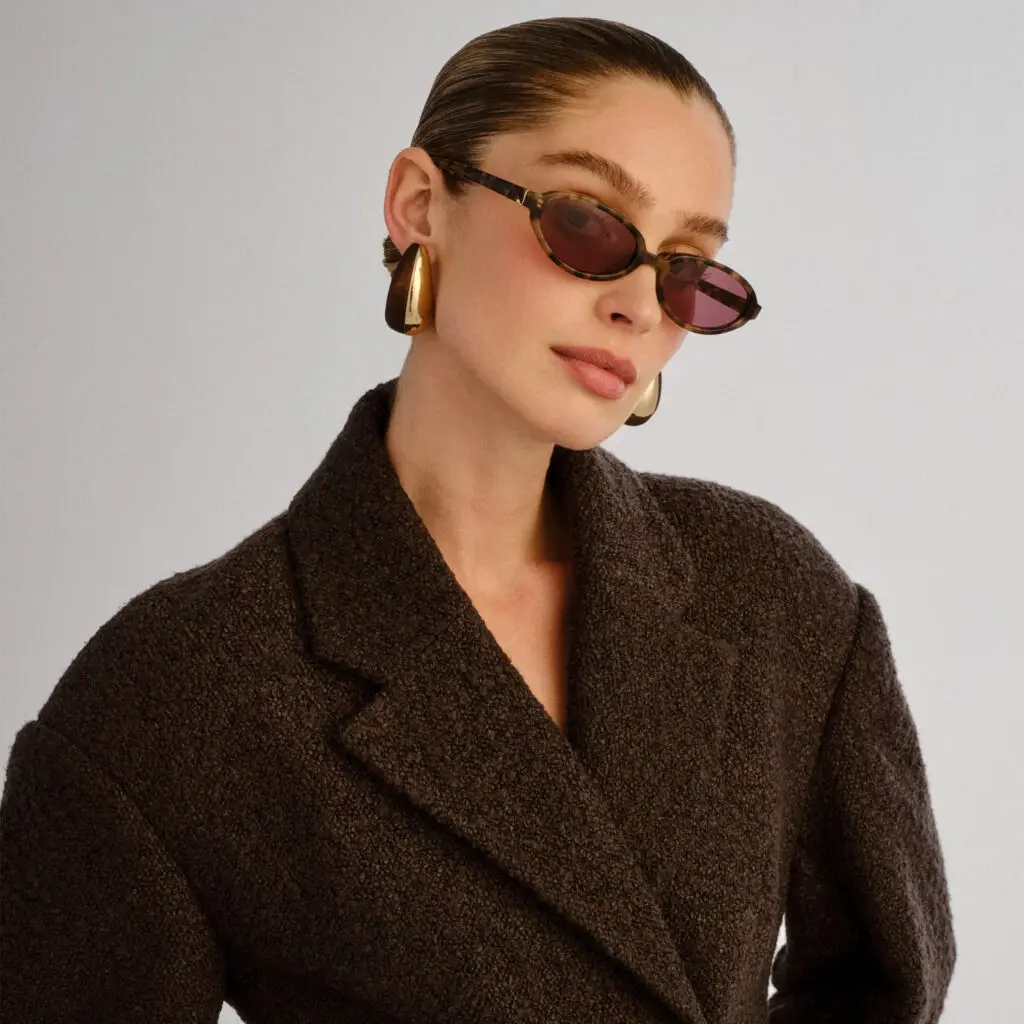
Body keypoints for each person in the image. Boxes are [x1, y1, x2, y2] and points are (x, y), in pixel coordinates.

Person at [0, 16, 955, 1023]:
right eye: (588, 225)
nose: (640, 306)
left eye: (686, 271)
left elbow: (882, 984)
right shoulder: (177, 691)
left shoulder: (772, 593)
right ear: (420, 205)